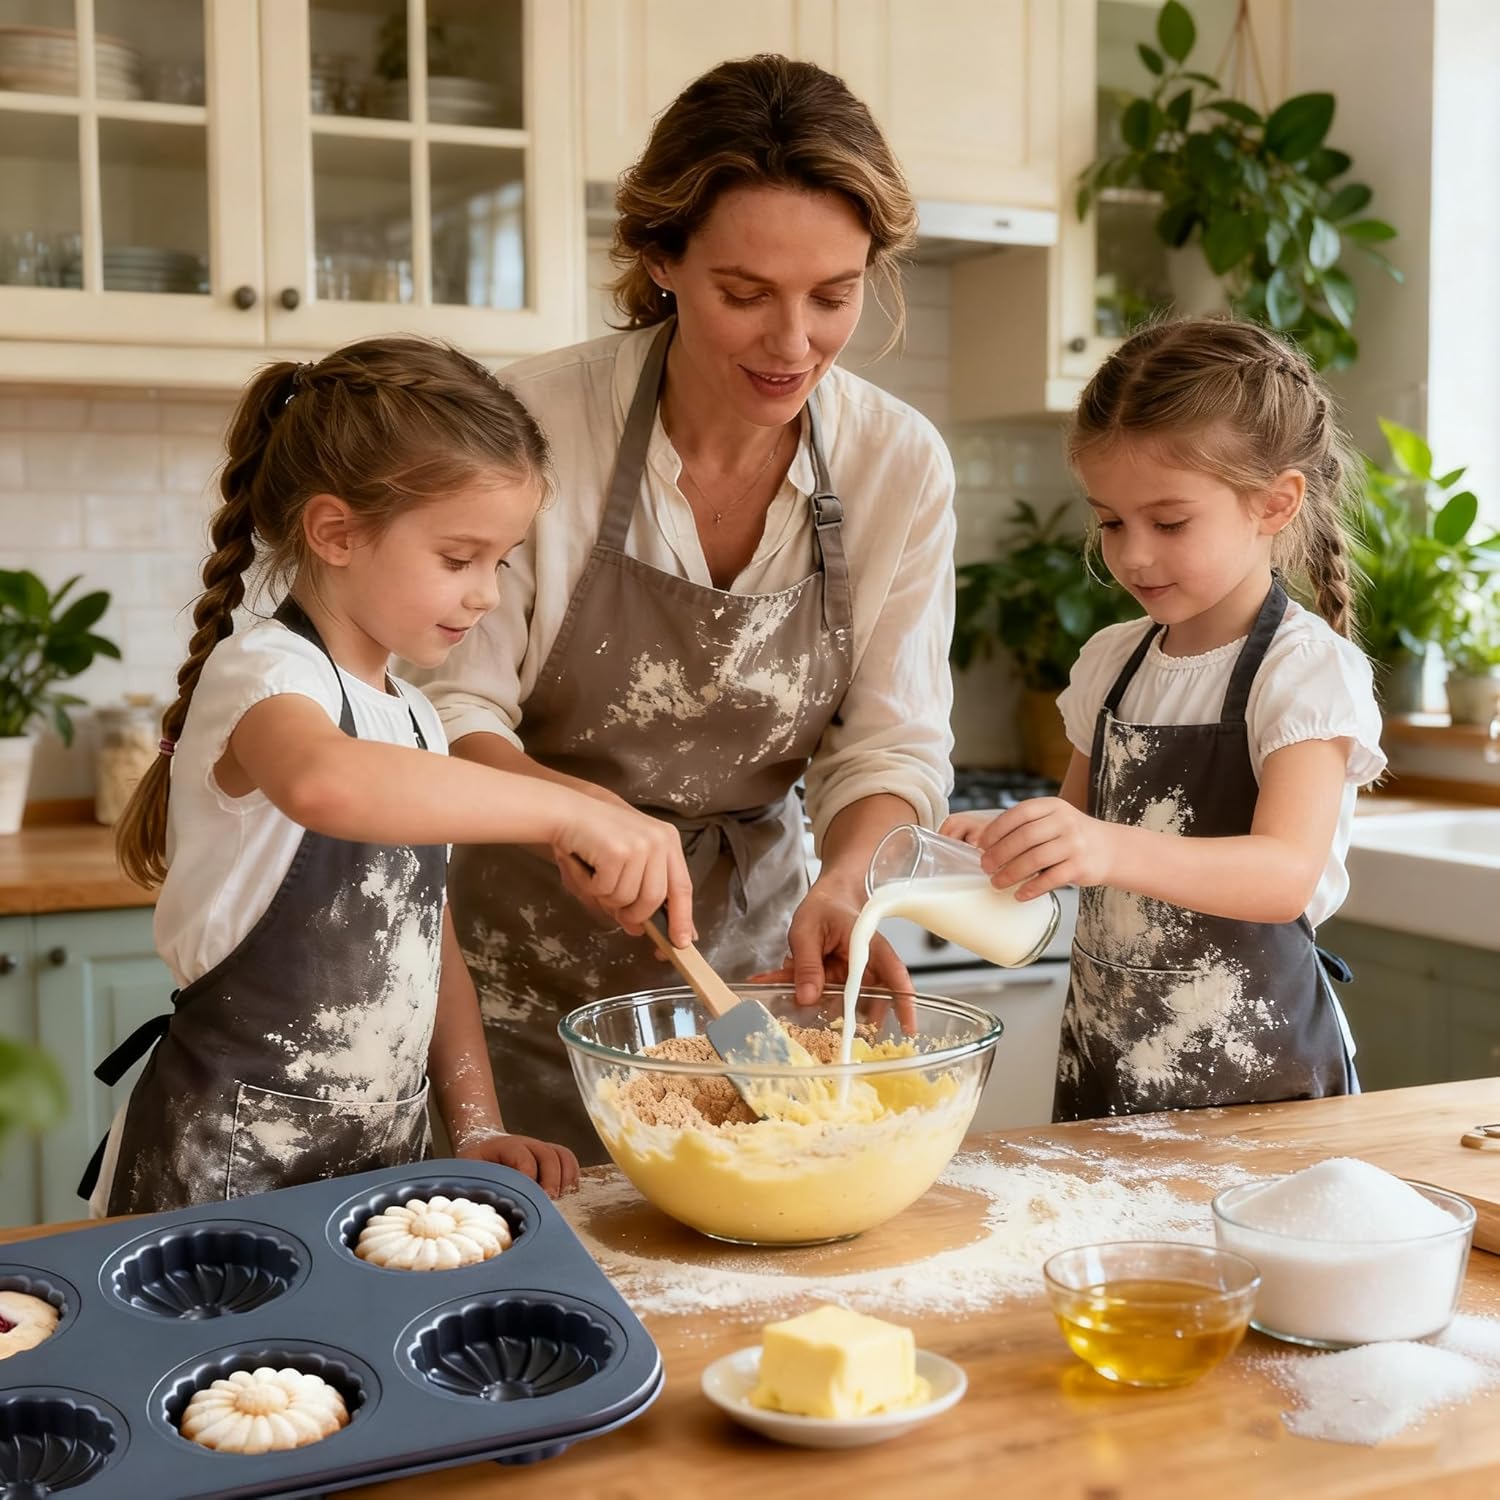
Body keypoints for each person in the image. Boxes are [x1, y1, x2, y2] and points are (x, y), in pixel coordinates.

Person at [414, 55, 956, 1161]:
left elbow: (889, 744)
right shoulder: (533, 426)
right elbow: (448, 711)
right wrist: (575, 816)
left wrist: (854, 878)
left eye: (834, 295)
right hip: (510, 983)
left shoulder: (899, 464)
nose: (793, 342)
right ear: (661, 259)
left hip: (750, 976)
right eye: (745, 294)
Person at [85, 336, 694, 1215]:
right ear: (336, 532)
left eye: (502, 560)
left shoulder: (412, 714)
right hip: (221, 1173)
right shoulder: (265, 676)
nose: (485, 593)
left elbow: (423, 940)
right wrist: (566, 812)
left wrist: (476, 1125)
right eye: (458, 559)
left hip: (377, 1171)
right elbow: (324, 781)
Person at [943, 317, 1386, 1121]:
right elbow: (1081, 831)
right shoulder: (1113, 662)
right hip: (1112, 1064)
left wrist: (1104, 846)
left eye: (1170, 522)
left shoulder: (1303, 670)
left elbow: (1283, 875)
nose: (1132, 554)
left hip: (1259, 1080)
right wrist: (1016, 841)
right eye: (1110, 521)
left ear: (1274, 504)